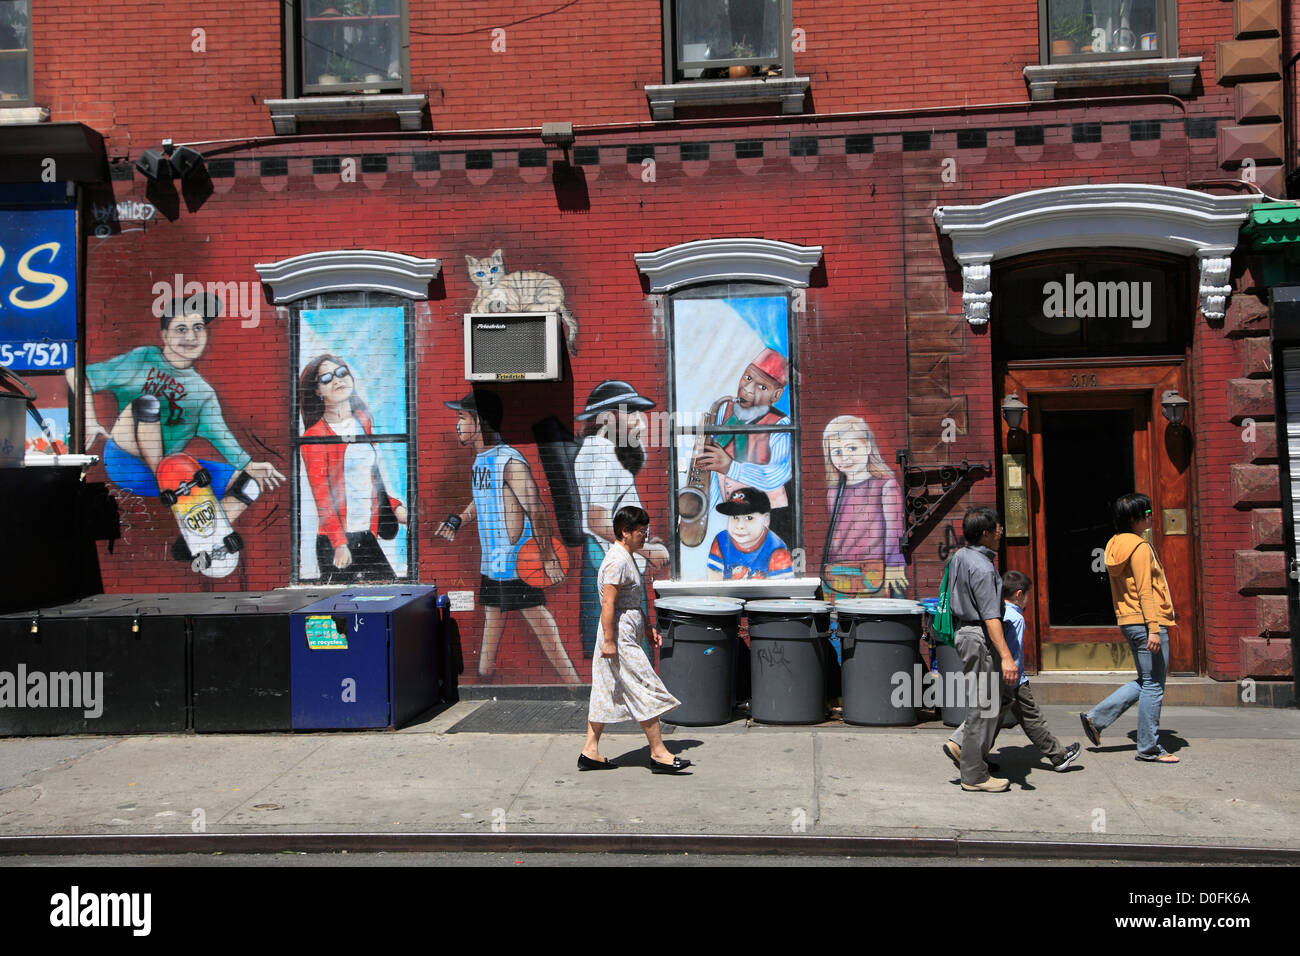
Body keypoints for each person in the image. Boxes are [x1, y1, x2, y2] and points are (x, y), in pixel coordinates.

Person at [71, 294, 285, 545]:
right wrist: (90, 419)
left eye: (198, 328)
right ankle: (165, 478)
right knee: (147, 402)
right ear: (163, 336)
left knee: (249, 485)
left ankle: (200, 540)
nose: (191, 337)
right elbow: (77, 372)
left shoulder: (203, 394)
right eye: (181, 329)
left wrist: (249, 465)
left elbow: (224, 439)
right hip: (124, 458)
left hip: (168, 476)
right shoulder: (143, 358)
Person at [436, 390, 579, 684]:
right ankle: (484, 677)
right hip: (493, 564)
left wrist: (548, 557)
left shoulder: (509, 461)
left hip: (517, 564)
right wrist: (458, 519)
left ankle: (576, 686)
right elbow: (481, 500)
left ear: (479, 422)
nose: (458, 425)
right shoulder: (480, 462)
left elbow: (536, 508)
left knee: (541, 624)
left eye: (462, 418)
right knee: (493, 619)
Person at [579, 505, 690, 774]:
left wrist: (648, 626)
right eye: (641, 531)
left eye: (646, 530)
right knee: (643, 685)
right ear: (625, 532)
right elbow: (608, 602)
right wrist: (608, 640)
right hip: (618, 635)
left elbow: (632, 601)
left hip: (625, 631)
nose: (645, 535)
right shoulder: (616, 561)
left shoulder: (627, 557)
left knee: (605, 691)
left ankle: (590, 752)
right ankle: (659, 753)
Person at [945, 570, 1081, 773]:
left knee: (992, 716)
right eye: (1027, 595)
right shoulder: (1016, 618)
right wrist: (1016, 677)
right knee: (1030, 718)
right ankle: (1058, 755)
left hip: (994, 673)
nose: (1028, 600)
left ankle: (974, 756)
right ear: (1019, 594)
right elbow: (1012, 650)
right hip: (1012, 678)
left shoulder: (996, 612)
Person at [1079, 492, 1179, 763]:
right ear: (1135, 519)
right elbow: (1145, 591)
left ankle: (1096, 718)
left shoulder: (1113, 545)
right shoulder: (1139, 547)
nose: (1151, 517)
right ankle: (1149, 747)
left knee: (1147, 681)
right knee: (1154, 685)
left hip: (1128, 620)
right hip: (1146, 621)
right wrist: (1155, 628)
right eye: (1146, 514)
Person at [573, 380, 670, 658]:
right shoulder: (604, 454)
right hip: (610, 561)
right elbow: (597, 521)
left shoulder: (595, 450)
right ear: (608, 418)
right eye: (633, 413)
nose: (641, 423)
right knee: (629, 651)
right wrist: (647, 550)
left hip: (607, 559)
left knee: (620, 652)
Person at [299, 354, 407, 583]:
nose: (337, 380)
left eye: (341, 373)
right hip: (336, 542)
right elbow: (323, 496)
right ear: (317, 391)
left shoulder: (363, 421)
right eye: (326, 378)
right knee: (340, 609)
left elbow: (367, 479)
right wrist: (339, 544)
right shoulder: (315, 436)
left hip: (365, 534)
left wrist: (395, 508)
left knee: (387, 592)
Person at [944, 506, 1020, 792]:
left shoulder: (961, 556)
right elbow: (991, 617)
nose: (1001, 532)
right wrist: (1007, 657)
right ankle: (974, 776)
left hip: (965, 632)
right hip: (979, 636)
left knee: (994, 700)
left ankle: (967, 751)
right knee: (982, 707)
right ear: (986, 533)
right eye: (998, 528)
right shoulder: (984, 568)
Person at [693, 347, 794, 545]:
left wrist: (731, 467)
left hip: (771, 519)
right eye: (747, 378)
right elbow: (713, 473)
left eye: (762, 387)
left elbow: (779, 473)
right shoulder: (722, 411)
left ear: (777, 395)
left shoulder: (780, 424)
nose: (747, 389)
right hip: (732, 515)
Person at [821, 415, 908, 597]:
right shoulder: (834, 492)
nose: (845, 457)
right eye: (836, 452)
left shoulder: (886, 485)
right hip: (840, 573)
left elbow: (894, 530)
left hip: (876, 572)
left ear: (867, 447)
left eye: (852, 448)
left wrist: (894, 565)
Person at [706, 487, 793, 580]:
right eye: (735, 517)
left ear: (766, 520)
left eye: (749, 518)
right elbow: (714, 582)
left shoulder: (777, 550)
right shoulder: (721, 541)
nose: (739, 526)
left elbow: (780, 590)